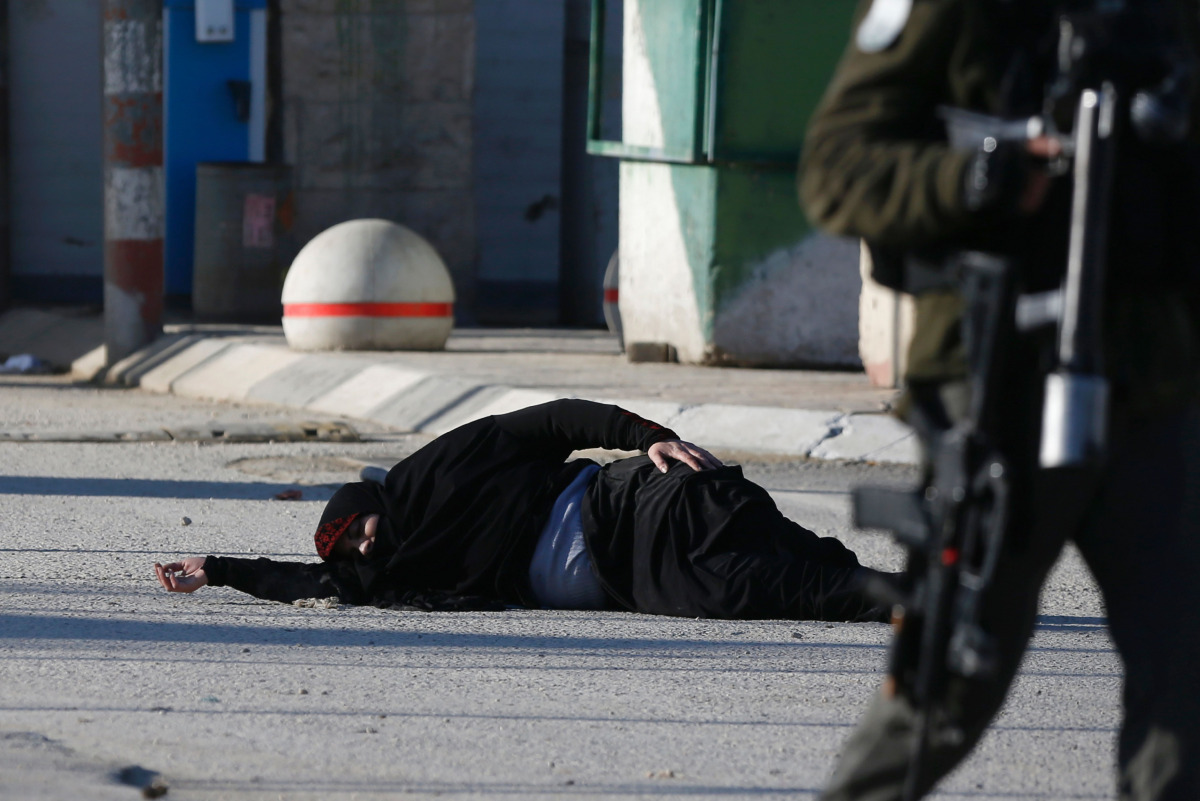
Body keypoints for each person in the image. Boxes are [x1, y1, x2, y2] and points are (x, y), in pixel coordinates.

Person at [799, 1, 1200, 799]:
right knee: (950, 687)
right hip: (999, 385)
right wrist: (982, 174)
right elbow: (836, 167)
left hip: (1152, 383)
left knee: (1187, 685)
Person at [155, 399, 888, 622]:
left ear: (375, 502)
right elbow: (303, 582)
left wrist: (652, 437)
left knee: (742, 548)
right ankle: (911, 598)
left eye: (367, 530)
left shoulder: (434, 470)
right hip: (622, 571)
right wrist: (216, 568)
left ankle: (912, 597)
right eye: (358, 553)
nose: (372, 549)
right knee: (753, 577)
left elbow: (554, 422)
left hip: (627, 504)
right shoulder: (398, 568)